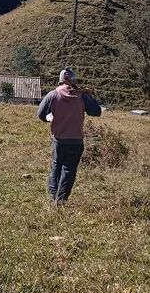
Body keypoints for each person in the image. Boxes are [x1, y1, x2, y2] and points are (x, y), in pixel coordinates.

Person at [37, 67, 102, 204]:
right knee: (69, 170)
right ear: (73, 80)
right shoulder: (81, 96)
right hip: (76, 141)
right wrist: (88, 95)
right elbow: (96, 111)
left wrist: (51, 118)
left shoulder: (53, 95)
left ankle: (53, 196)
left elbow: (41, 115)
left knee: (56, 166)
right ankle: (61, 200)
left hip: (59, 139)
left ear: (60, 81)